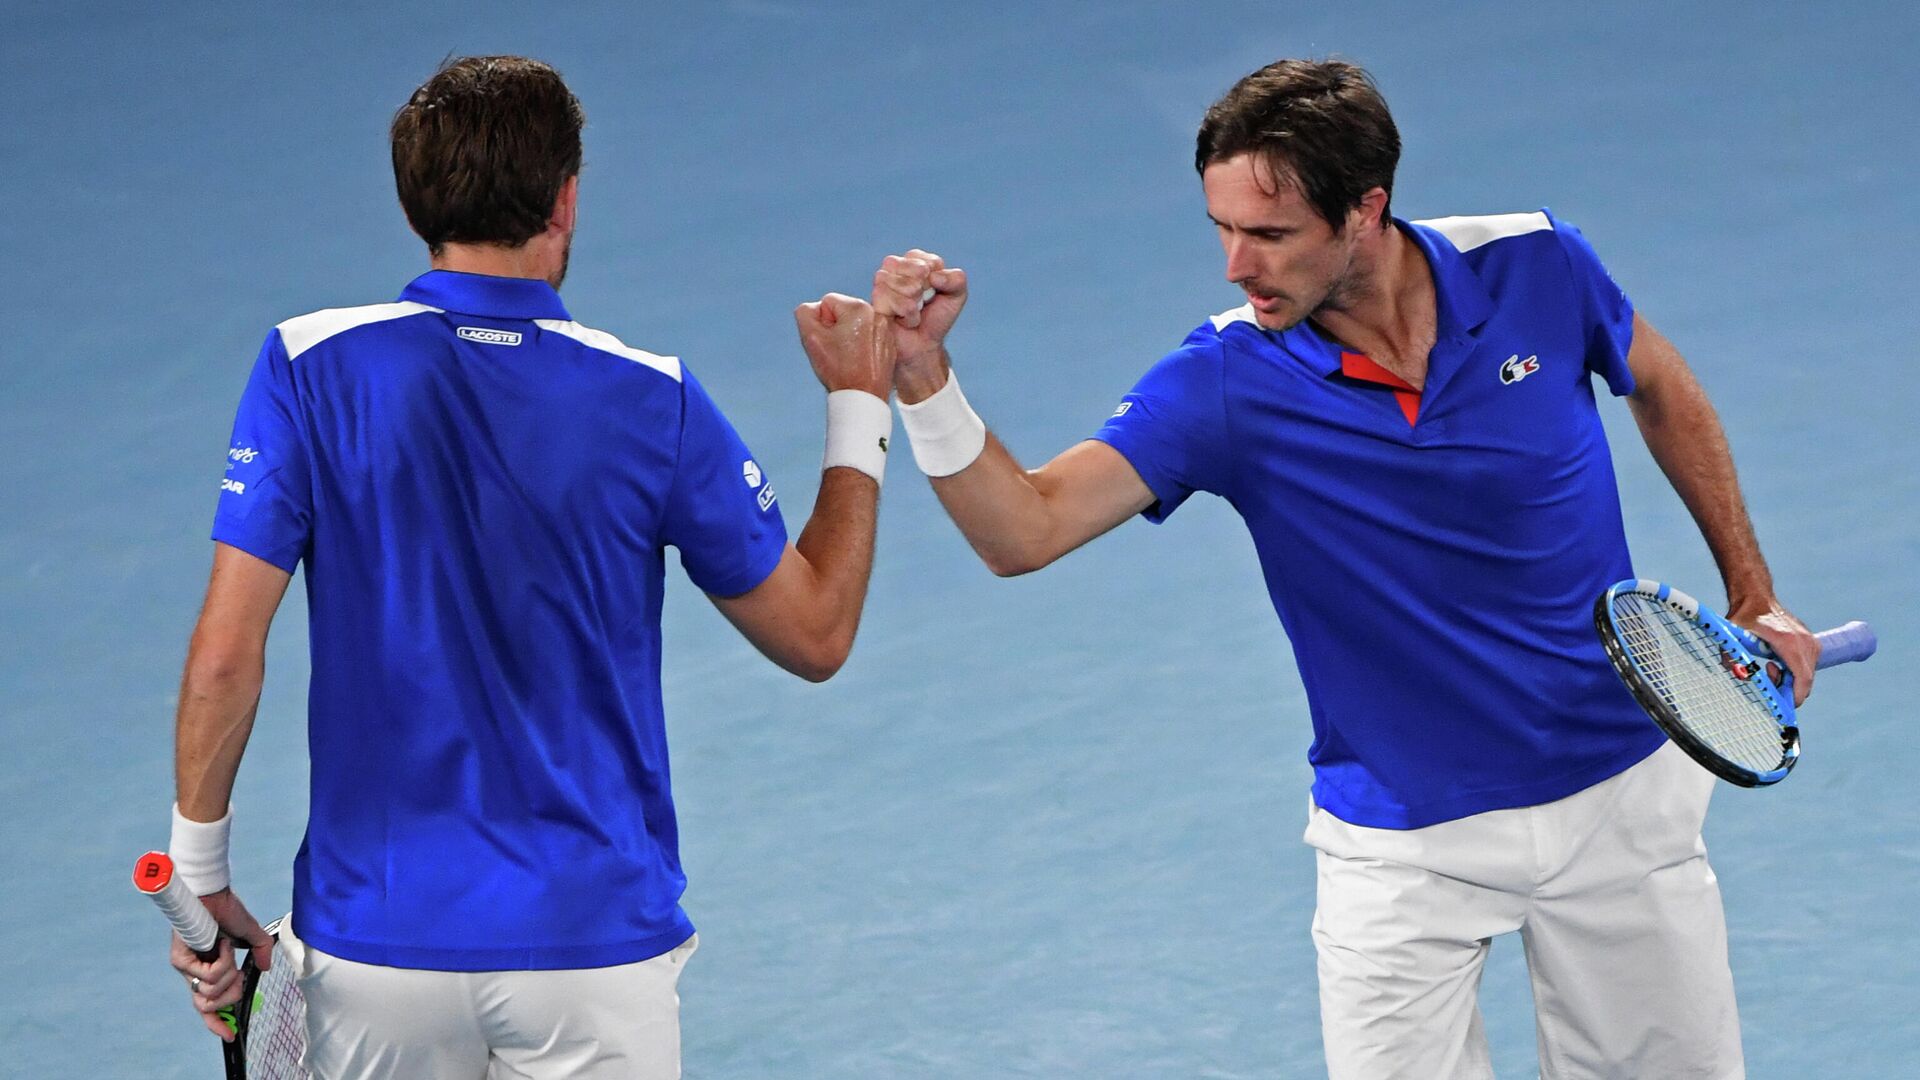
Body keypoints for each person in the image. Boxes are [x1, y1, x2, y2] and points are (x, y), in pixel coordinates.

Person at [868, 58, 1819, 1079]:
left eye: (1269, 235)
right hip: (1403, 843)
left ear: (1364, 211)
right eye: (1222, 229)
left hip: (1617, 793)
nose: (1237, 265)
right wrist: (924, 381)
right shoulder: (1224, 380)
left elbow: (1664, 389)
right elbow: (1024, 530)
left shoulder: (1539, 264)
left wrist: (1751, 589)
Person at [164, 55, 899, 1079]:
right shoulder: (654, 397)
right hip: (592, 953)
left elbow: (225, 658)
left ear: (414, 199)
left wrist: (198, 881)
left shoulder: (306, 366)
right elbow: (817, 635)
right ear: (566, 198)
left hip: (379, 951)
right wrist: (861, 404)